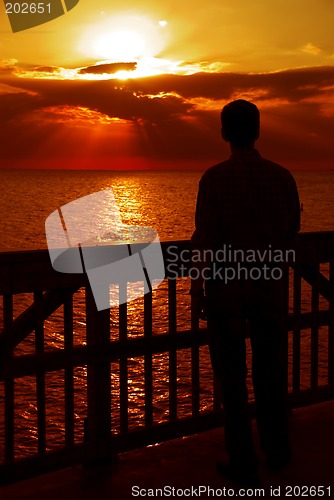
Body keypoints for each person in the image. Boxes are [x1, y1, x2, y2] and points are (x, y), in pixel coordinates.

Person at [190, 99, 300, 486]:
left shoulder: (215, 179)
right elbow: (291, 231)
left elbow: (206, 238)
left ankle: (242, 458)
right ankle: (278, 450)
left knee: (233, 376)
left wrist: (196, 287)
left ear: (224, 133)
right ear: (257, 132)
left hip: (226, 290)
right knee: (271, 371)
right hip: (270, 286)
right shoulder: (283, 177)